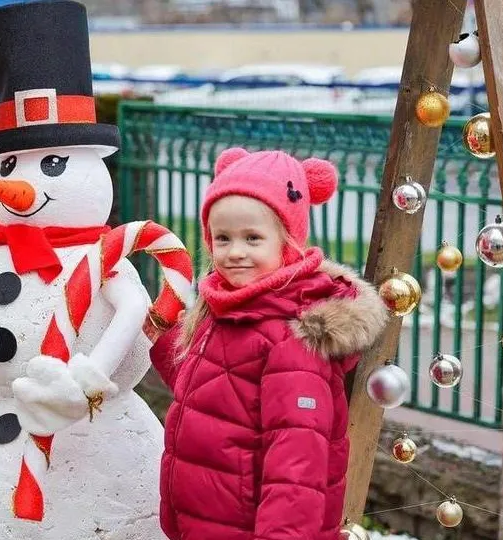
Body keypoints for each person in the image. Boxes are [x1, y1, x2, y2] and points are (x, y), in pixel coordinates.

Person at [150, 147, 389, 539]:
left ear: (288, 243)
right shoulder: (226, 308)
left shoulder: (292, 336)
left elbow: (296, 469)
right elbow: (213, 394)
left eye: (253, 238)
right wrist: (161, 339)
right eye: (222, 238)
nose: (235, 252)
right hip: (207, 524)